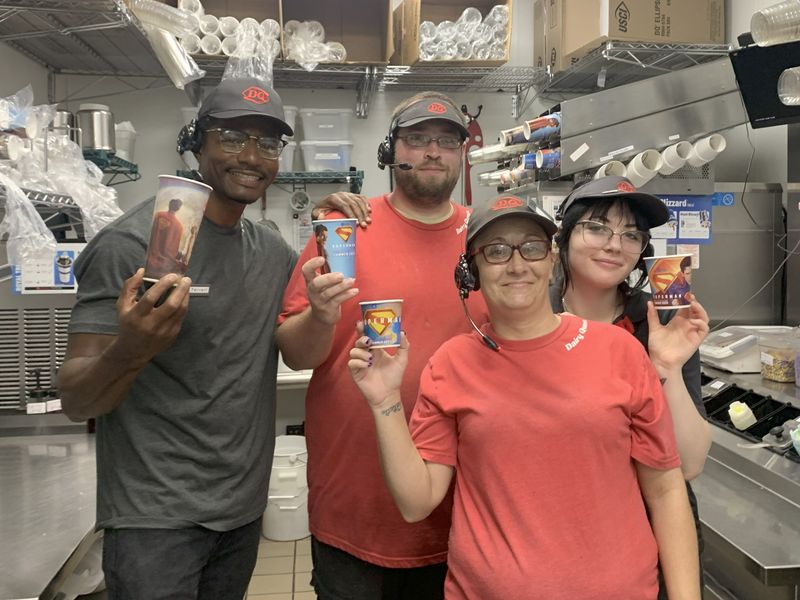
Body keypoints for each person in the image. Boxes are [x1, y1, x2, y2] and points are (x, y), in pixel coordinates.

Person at [58, 77, 369, 600]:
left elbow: (300, 351)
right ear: (196, 143)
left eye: (267, 143)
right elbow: (75, 399)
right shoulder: (130, 246)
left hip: (240, 509)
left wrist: (328, 229)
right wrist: (131, 348)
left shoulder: (270, 252)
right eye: (231, 137)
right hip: (154, 518)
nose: (250, 156)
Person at [348, 195, 702, 600]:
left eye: (532, 248)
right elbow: (417, 502)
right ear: (471, 272)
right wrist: (385, 401)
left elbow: (666, 490)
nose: (517, 265)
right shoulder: (452, 363)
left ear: (551, 260)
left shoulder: (619, 350)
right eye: (496, 251)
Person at [277, 91, 487, 599]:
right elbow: (295, 354)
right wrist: (320, 315)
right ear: (390, 151)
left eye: (447, 141)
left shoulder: (489, 239)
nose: (432, 151)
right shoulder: (342, 230)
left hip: (465, 509)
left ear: (462, 154)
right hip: (354, 503)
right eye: (417, 139)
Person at [550, 175, 710, 598]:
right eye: (597, 227)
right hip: (557, 531)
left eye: (631, 235)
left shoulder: (660, 321)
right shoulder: (533, 317)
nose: (614, 245)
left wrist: (666, 366)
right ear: (565, 235)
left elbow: (689, 464)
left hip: (653, 531)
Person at [145, 197, 185, 278]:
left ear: (169, 205)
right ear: (178, 209)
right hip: (165, 258)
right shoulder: (179, 226)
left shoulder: (158, 215)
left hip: (149, 251)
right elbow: (174, 248)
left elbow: (150, 234)